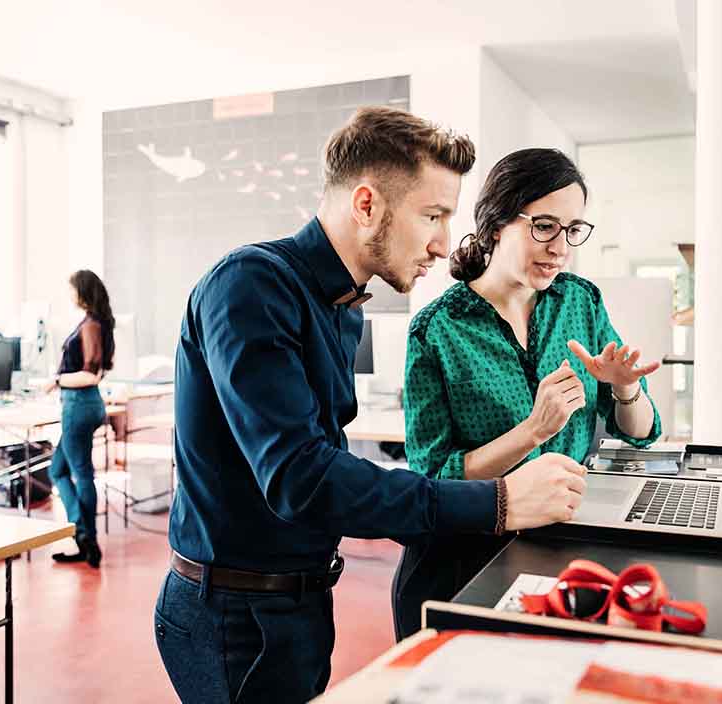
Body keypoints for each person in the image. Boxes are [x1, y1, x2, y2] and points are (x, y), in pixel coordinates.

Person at [155, 107, 588, 703]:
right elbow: (300, 479)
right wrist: (498, 501)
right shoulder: (250, 285)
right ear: (367, 205)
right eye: (432, 215)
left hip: (295, 602)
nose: (443, 243)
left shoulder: (343, 305)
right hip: (235, 616)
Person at [393, 148, 663, 639]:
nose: (560, 247)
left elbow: (640, 433)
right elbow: (434, 476)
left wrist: (626, 390)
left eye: (573, 229)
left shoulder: (580, 301)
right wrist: (533, 430)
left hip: (561, 545)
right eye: (544, 226)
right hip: (464, 560)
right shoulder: (437, 329)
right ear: (497, 223)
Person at [45, 270, 115, 568]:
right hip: (86, 405)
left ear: (82, 291)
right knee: (58, 470)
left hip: (79, 405)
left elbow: (90, 374)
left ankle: (86, 537)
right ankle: (83, 535)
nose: (69, 294)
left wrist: (57, 380)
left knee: (82, 473)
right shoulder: (96, 323)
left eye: (72, 289)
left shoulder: (90, 326)